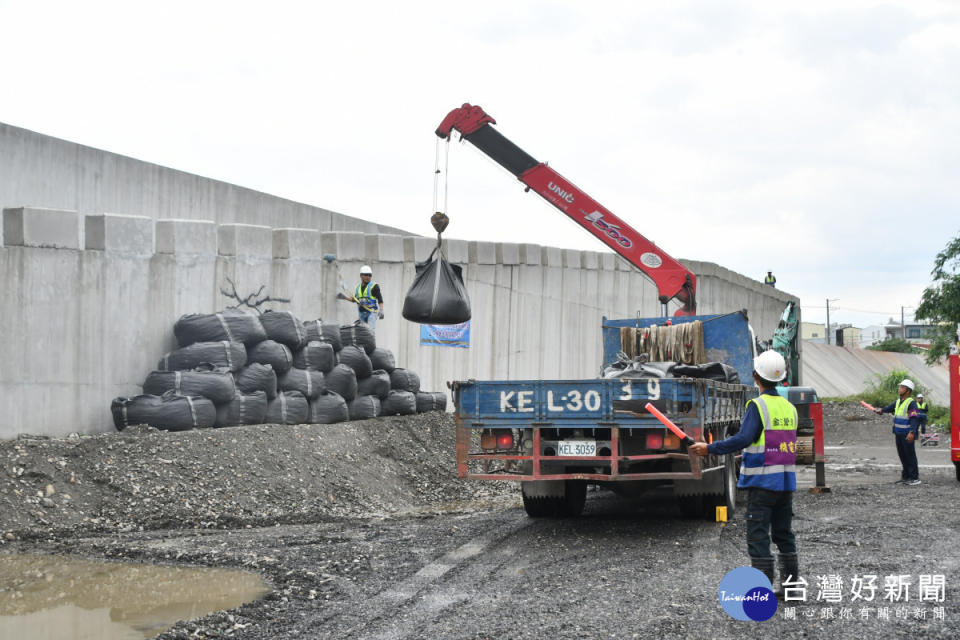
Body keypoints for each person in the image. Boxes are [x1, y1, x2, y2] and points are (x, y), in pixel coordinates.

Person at [689, 350, 799, 596]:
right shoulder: (789, 408)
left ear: (756, 377)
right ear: (781, 378)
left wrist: (709, 447)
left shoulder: (758, 406)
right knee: (783, 534)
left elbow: (744, 438)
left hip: (762, 483)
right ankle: (791, 588)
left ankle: (763, 590)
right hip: (785, 483)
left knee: (758, 535)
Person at [875, 380, 920, 485]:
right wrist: (881, 410)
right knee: (903, 455)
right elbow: (889, 408)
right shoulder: (898, 401)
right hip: (898, 433)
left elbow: (914, 419)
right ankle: (906, 476)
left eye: (902, 387)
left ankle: (914, 478)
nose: (899, 389)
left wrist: (912, 432)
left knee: (910, 455)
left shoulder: (911, 403)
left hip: (907, 434)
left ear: (908, 391)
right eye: (900, 387)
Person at [348, 265, 384, 332]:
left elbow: (380, 299)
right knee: (362, 333)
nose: (368, 277)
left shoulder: (374, 286)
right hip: (362, 313)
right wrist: (344, 297)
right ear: (361, 275)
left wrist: (381, 310)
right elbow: (355, 299)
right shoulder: (358, 288)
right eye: (366, 275)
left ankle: (371, 341)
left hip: (371, 312)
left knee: (370, 332)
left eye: (370, 275)